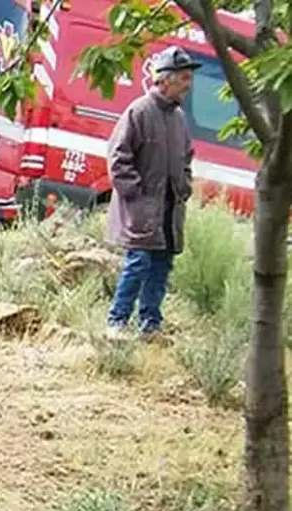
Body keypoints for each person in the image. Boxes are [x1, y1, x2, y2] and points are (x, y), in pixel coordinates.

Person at [104, 45, 198, 339]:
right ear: (165, 79)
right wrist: (136, 195)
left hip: (168, 211)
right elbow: (118, 157)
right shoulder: (139, 111)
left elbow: (186, 158)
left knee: (161, 266)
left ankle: (150, 325)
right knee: (138, 264)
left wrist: (184, 186)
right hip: (143, 210)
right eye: (183, 78)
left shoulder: (178, 118)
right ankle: (117, 322)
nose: (188, 84)